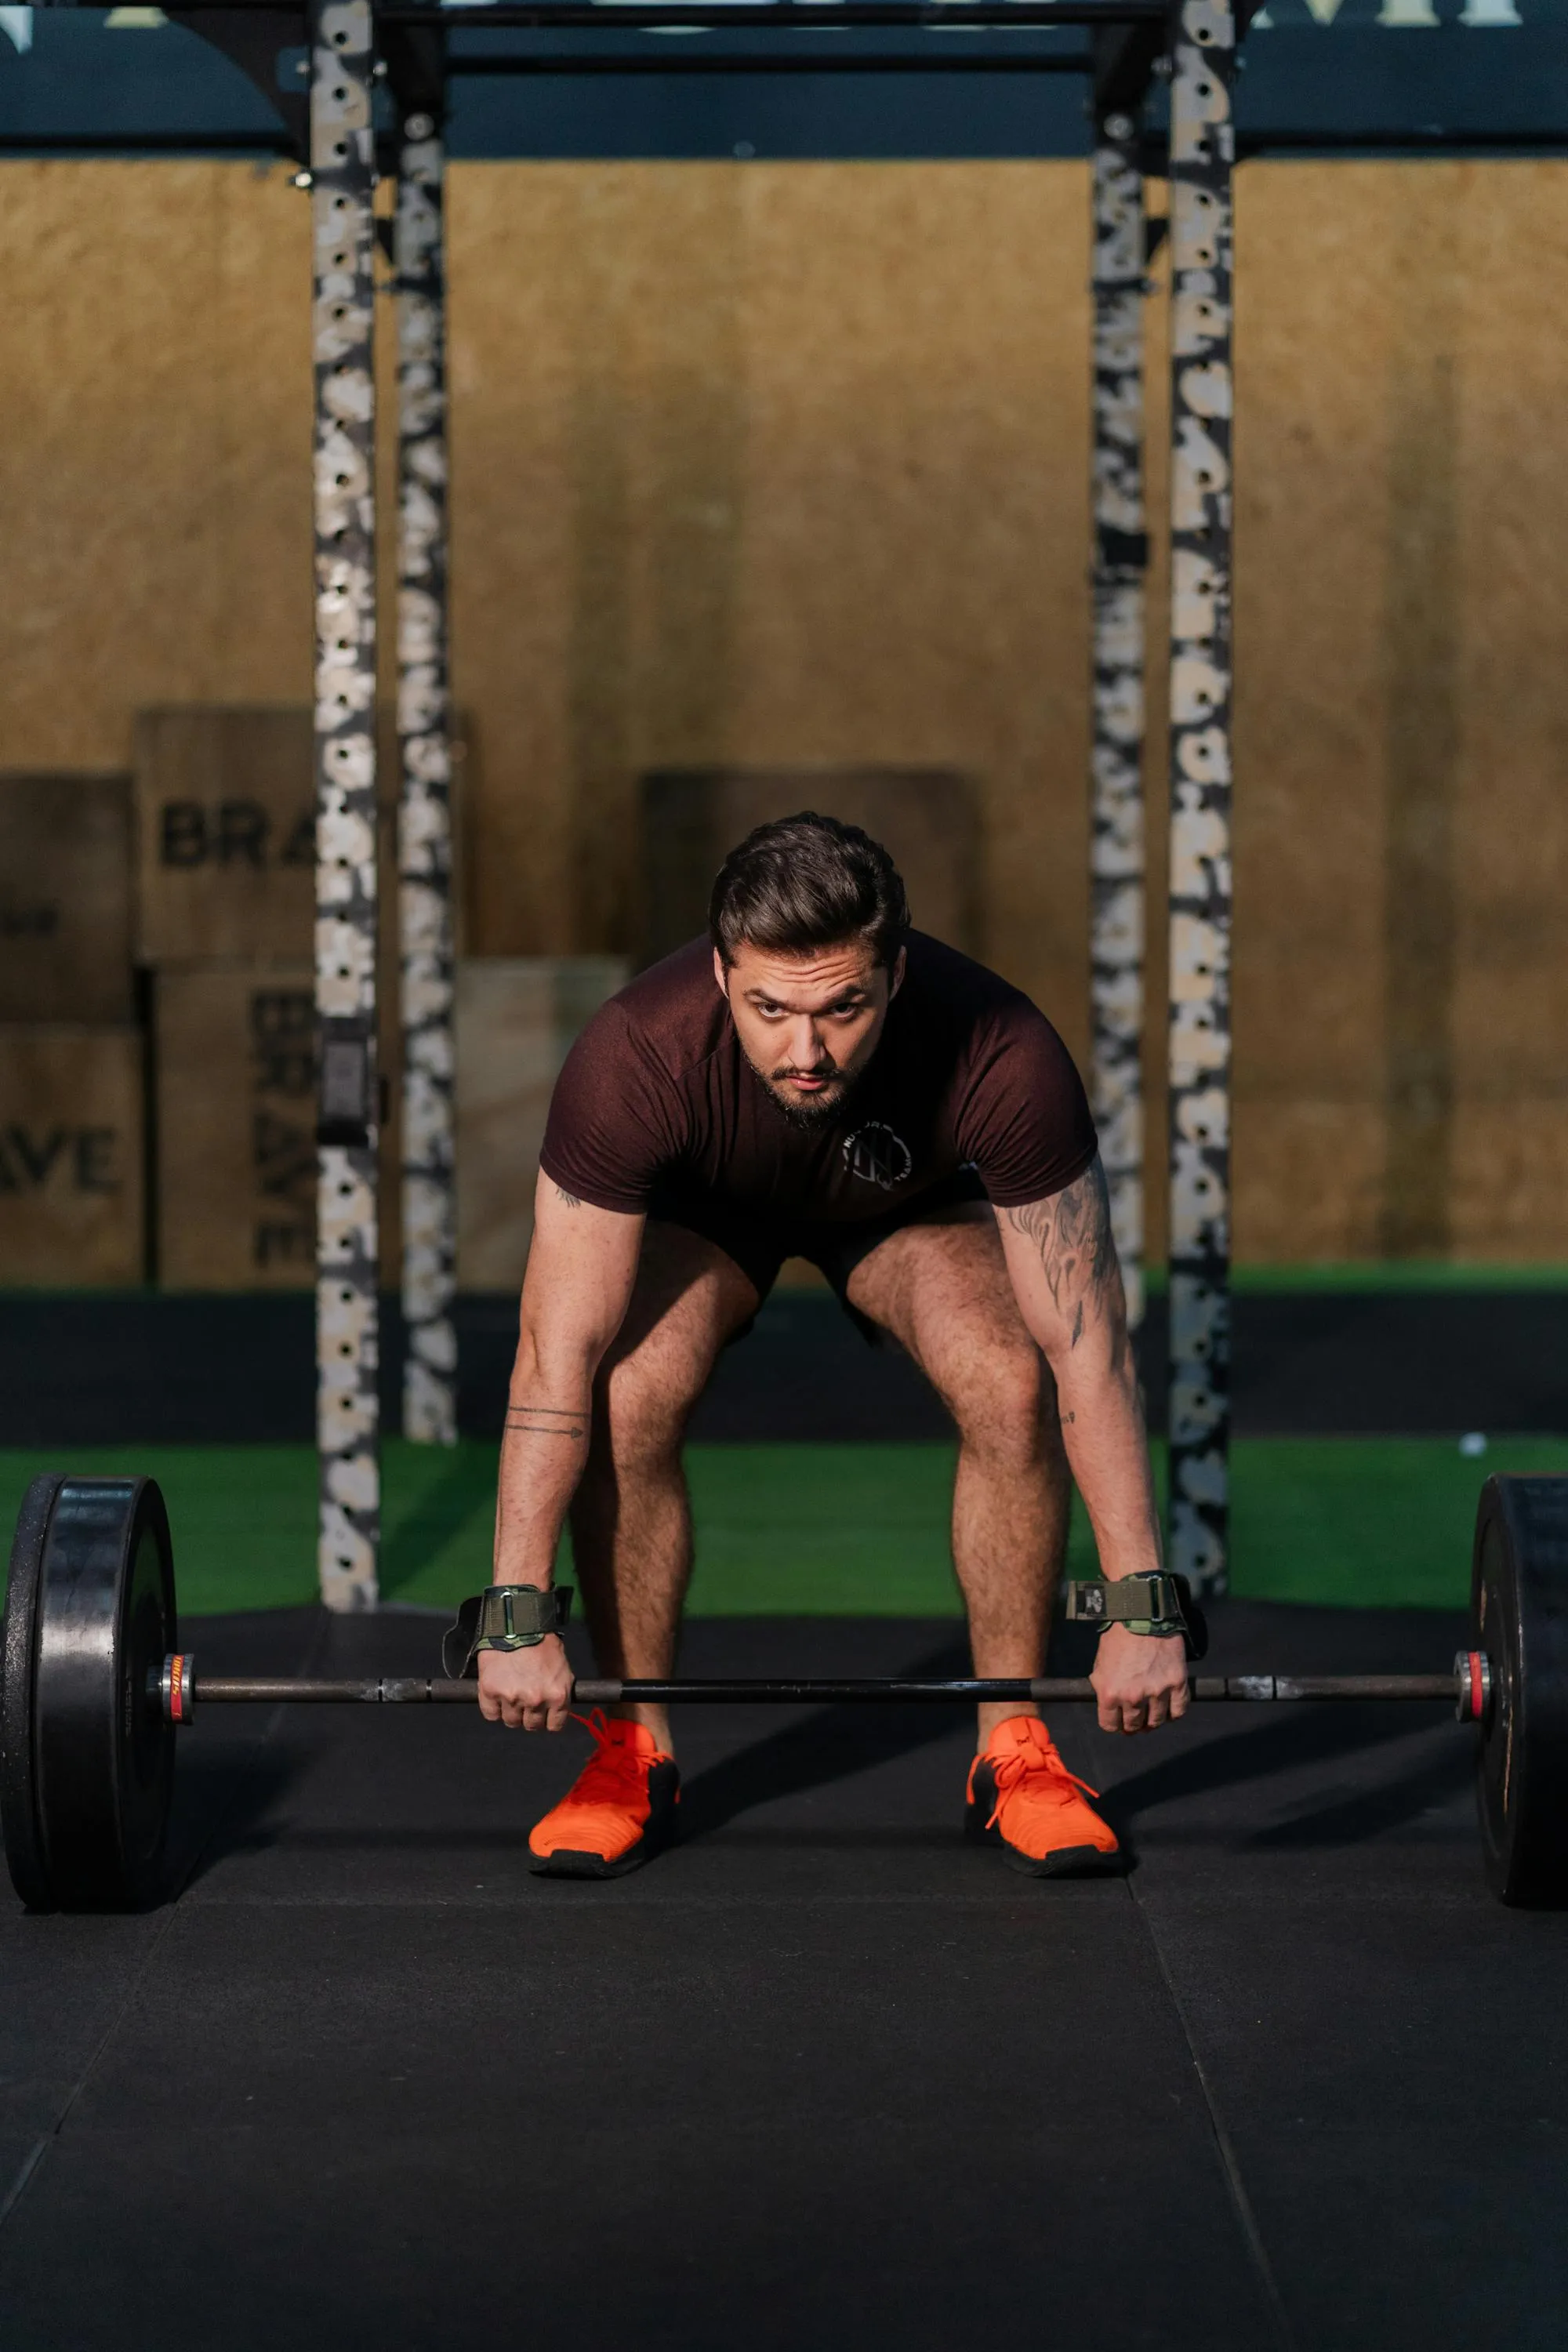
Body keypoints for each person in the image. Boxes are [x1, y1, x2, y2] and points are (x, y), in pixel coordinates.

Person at [476, 812, 1185, 1878]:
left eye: (842, 1008)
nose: (805, 1052)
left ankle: (1014, 1749)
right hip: (710, 1212)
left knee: (1011, 1377)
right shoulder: (634, 1057)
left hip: (901, 1210)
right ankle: (634, 1748)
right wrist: (517, 1613)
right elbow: (553, 1355)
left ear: (895, 976)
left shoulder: (1004, 1050)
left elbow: (1091, 1344)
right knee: (626, 1389)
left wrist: (1139, 1599)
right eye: (769, 1010)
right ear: (720, 975)